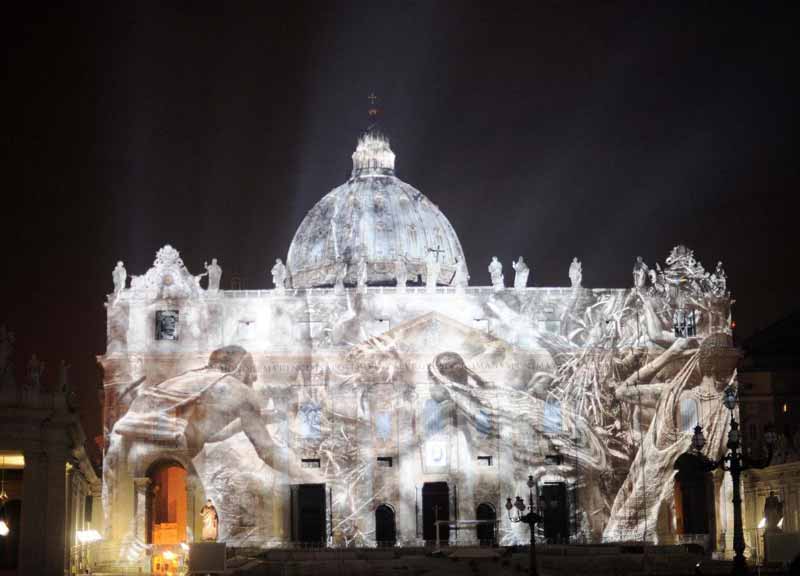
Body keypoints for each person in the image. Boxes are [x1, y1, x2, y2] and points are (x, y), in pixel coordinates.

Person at [604, 333, 737, 541]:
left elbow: (623, 390)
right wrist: (670, 353)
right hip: (680, 505)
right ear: (716, 366)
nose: (734, 367)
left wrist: (671, 354)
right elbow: (622, 391)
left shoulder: (680, 396)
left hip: (680, 505)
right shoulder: (700, 402)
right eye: (731, 361)